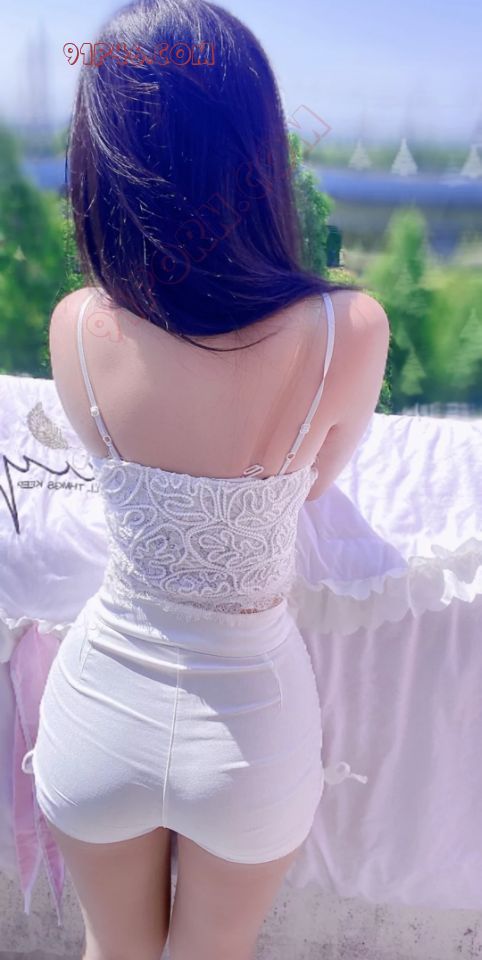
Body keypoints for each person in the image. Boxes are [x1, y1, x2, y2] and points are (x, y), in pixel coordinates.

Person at [22, 1, 389, 957]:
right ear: (256, 145)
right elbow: (312, 485)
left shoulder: (76, 326)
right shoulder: (347, 332)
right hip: (251, 730)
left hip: (99, 705)